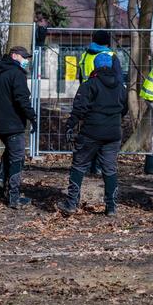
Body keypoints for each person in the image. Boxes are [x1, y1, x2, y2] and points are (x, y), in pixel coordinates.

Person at [57, 53, 128, 216]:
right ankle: (111, 207)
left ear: (95, 66)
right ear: (110, 66)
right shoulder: (120, 86)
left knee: (79, 165)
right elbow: (124, 109)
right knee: (109, 169)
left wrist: (70, 125)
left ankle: (71, 203)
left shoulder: (90, 85)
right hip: (113, 133)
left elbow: (79, 108)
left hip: (91, 132)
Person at [0, 46, 37, 209]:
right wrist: (32, 116)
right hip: (13, 124)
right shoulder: (17, 74)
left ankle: (0, 184)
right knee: (17, 158)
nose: (26, 61)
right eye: (23, 57)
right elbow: (22, 99)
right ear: (14, 56)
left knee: (9, 153)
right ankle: (14, 197)